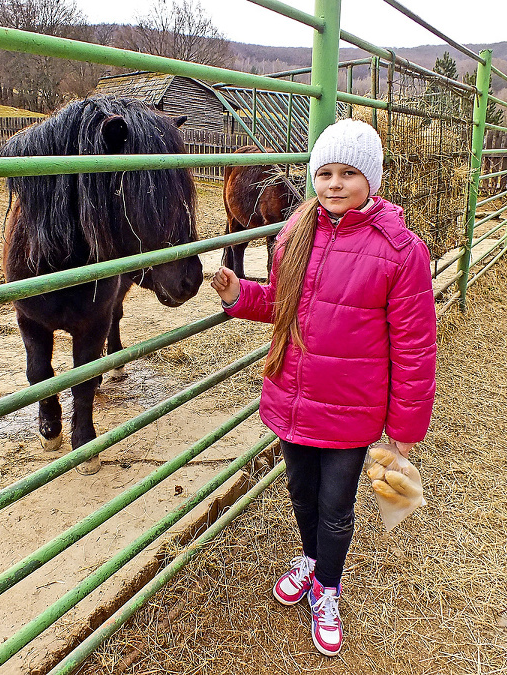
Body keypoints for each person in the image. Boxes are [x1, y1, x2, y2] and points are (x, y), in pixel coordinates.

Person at [211, 118, 437, 657]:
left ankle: (327, 588)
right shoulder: (295, 232)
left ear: (373, 179)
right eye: (325, 172)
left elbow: (414, 347)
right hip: (293, 397)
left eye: (349, 173)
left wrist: (403, 430)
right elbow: (281, 303)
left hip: (352, 409)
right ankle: (310, 559)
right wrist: (238, 293)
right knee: (301, 491)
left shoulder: (402, 251)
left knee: (337, 505)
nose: (335, 184)